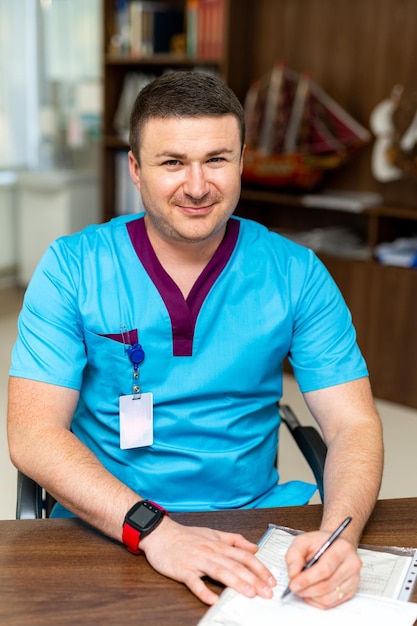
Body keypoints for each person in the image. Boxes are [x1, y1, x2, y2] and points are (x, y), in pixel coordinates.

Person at [7, 71, 383, 610]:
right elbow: (33, 434)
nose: (198, 185)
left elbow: (353, 423)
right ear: (135, 169)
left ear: (241, 161)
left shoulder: (296, 272)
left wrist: (339, 537)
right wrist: (156, 530)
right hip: (111, 522)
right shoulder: (73, 267)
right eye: (172, 162)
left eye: (216, 159)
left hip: (250, 522)